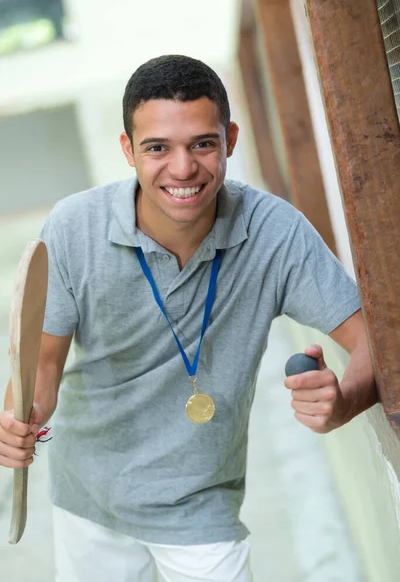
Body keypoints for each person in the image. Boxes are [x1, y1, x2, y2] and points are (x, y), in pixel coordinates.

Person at [0, 55, 377, 582]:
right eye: (157, 147)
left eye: (202, 143)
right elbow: (43, 362)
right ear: (128, 150)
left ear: (231, 139)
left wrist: (347, 401)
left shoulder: (275, 232)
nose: (183, 168)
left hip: (201, 504)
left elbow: (377, 342)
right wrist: (22, 417)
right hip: (89, 494)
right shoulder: (72, 227)